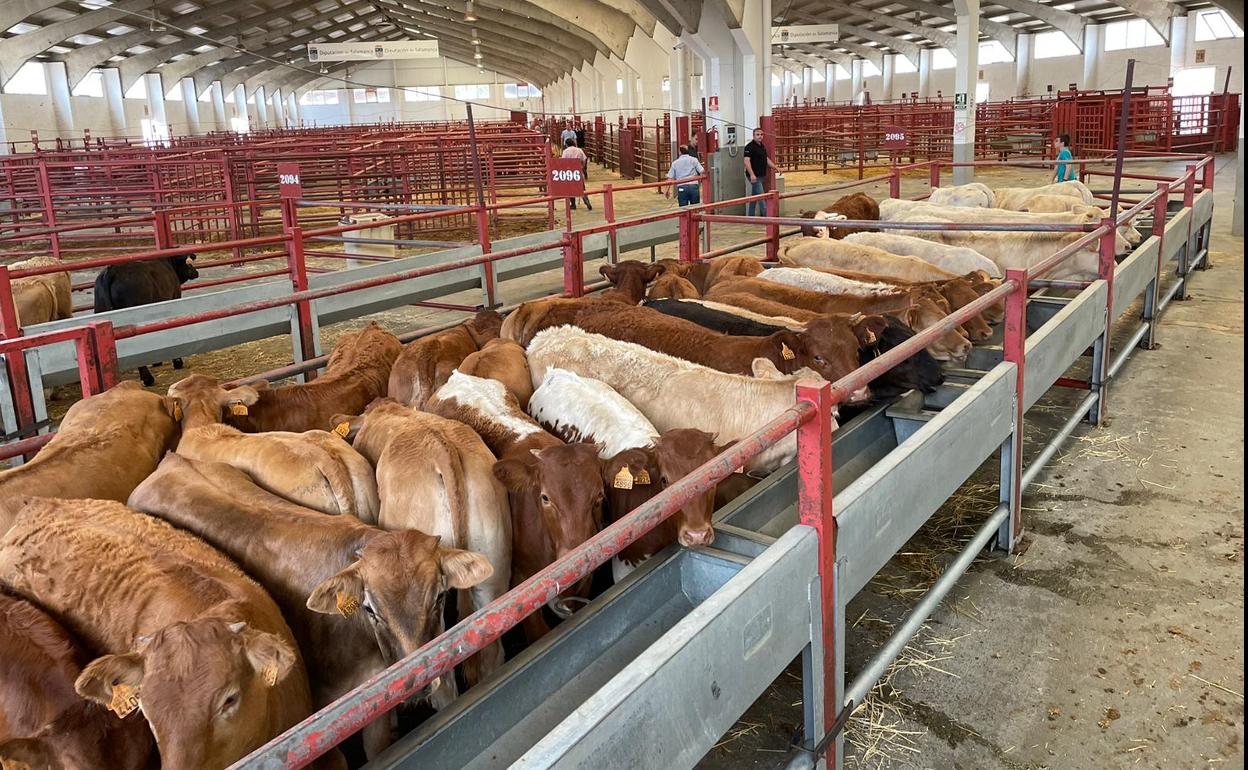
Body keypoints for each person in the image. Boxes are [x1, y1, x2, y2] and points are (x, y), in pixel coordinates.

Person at [742, 127, 778, 216]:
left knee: (755, 196)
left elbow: (765, 159)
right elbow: (746, 161)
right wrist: (752, 174)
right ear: (753, 136)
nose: (760, 136)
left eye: (761, 135)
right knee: (762, 197)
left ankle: (750, 216)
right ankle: (767, 216)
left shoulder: (762, 146)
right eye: (757, 135)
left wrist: (775, 167)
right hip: (755, 176)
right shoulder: (749, 147)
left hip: (761, 175)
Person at [561, 137, 592, 210]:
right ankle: (586, 201)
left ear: (566, 144)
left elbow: (563, 162)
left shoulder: (565, 151)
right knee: (581, 187)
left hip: (569, 171)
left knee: (570, 188)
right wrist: (582, 167)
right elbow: (584, 160)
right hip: (578, 170)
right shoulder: (579, 150)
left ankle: (573, 204)